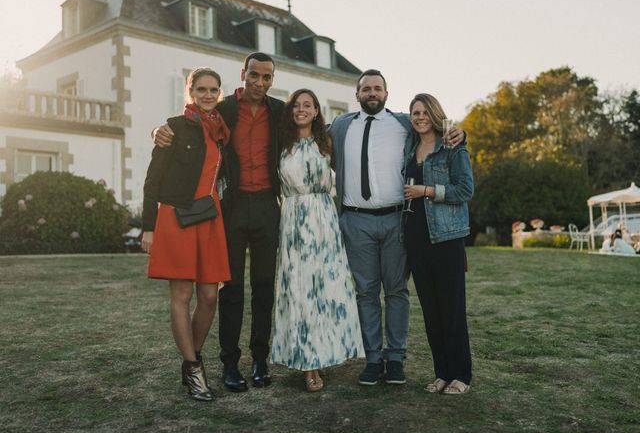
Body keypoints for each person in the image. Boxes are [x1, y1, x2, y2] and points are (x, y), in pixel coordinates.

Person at [153, 53, 283, 392]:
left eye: (266, 77)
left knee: (265, 286)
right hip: (231, 207)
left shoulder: (279, 111)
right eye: (253, 75)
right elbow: (189, 124)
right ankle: (229, 363)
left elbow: (312, 128)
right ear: (243, 75)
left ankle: (259, 358)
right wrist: (159, 130)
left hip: (269, 205)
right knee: (231, 289)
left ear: (272, 79)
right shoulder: (222, 111)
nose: (259, 82)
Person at [329, 70, 464, 386]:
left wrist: (461, 133)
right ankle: (373, 359)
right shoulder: (340, 125)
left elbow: (436, 126)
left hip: (396, 219)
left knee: (397, 290)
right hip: (355, 219)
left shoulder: (403, 123)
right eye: (366, 89)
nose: (372, 93)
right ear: (357, 94)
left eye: (378, 88)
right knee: (365, 292)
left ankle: (396, 357)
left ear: (387, 94)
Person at [141, 67, 231, 401]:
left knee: (209, 296)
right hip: (176, 217)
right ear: (190, 92)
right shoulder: (174, 127)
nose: (208, 95)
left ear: (219, 93)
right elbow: (153, 180)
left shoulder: (220, 130)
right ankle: (194, 369)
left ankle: (190, 360)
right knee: (181, 297)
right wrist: (148, 227)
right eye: (201, 89)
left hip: (210, 217)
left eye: (213, 90)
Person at [270, 89, 364, 392]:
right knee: (299, 291)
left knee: (325, 290)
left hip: (323, 220)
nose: (301, 109)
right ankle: (308, 364)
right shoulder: (280, 144)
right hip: (294, 222)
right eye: (296, 105)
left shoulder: (327, 141)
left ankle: (324, 351)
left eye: (307, 105)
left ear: (316, 111)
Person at [402, 93, 474, 395]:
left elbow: (465, 190)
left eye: (424, 112)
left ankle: (462, 375)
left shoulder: (452, 147)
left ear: (434, 114)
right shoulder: (410, 147)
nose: (419, 117)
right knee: (431, 312)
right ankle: (442, 373)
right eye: (414, 112)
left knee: (452, 310)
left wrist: (427, 190)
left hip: (446, 238)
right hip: (416, 240)